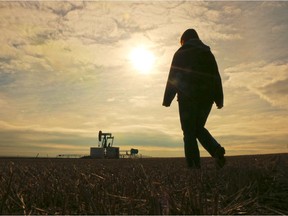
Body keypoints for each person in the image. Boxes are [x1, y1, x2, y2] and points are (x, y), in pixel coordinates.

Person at [162, 29, 226, 169]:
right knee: (198, 128)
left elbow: (173, 77)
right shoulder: (207, 53)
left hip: (187, 97)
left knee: (189, 132)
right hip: (206, 98)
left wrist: (167, 99)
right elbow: (216, 76)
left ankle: (193, 168)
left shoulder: (180, 53)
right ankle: (216, 150)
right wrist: (219, 98)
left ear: (184, 40)